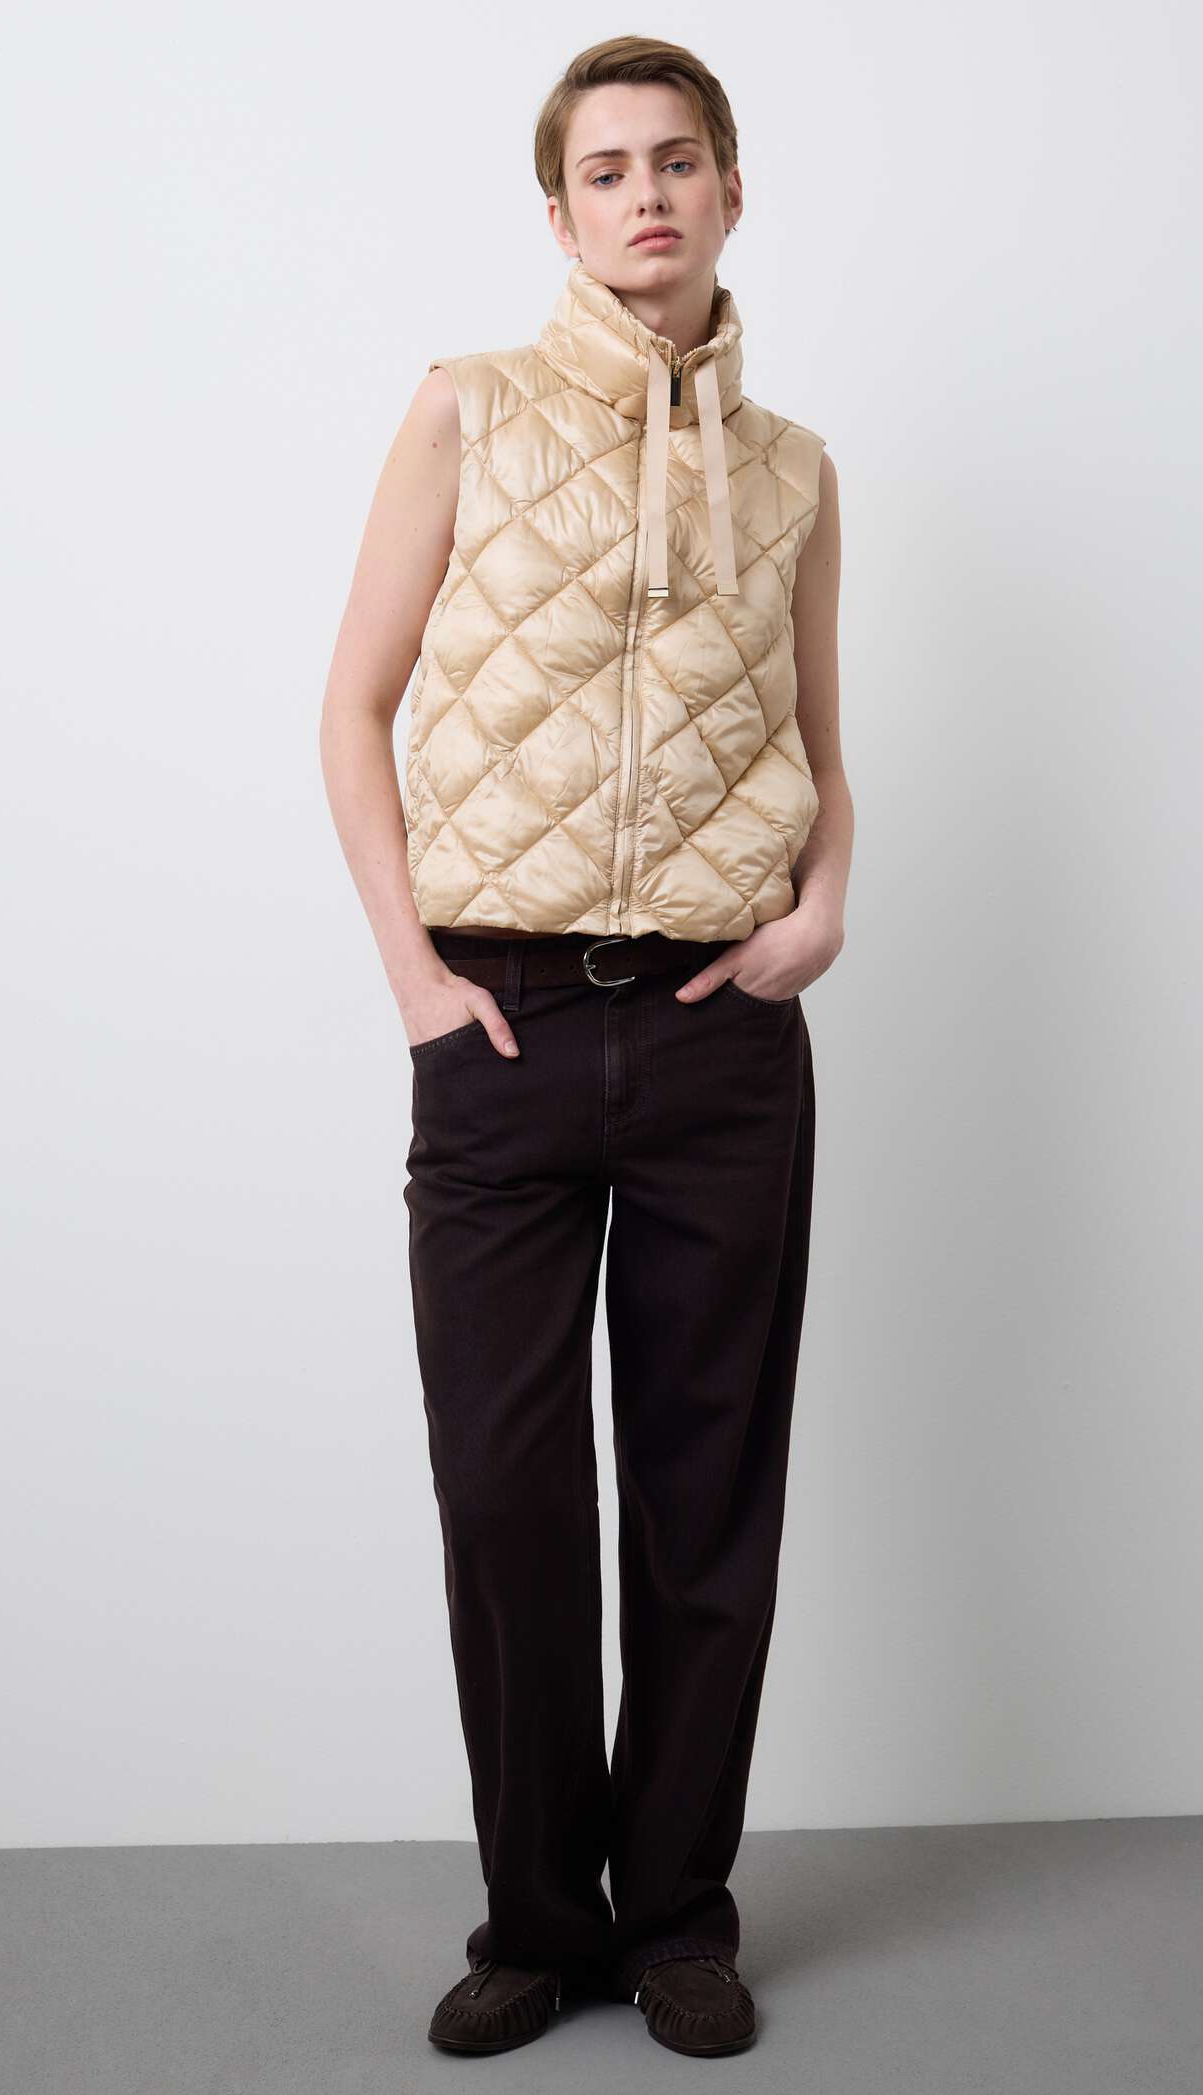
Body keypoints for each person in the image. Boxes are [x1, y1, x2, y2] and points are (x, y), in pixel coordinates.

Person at [319, 34, 852, 2059]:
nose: (646, 195)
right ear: (558, 214)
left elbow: (822, 740)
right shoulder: (463, 406)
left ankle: (681, 1915)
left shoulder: (796, 469)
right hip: (506, 1025)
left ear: (731, 192)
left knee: (710, 1500)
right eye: (608, 171)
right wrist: (413, 976)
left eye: (678, 161)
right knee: (508, 1497)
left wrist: (822, 904)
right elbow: (352, 705)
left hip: (725, 1037)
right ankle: (539, 1920)